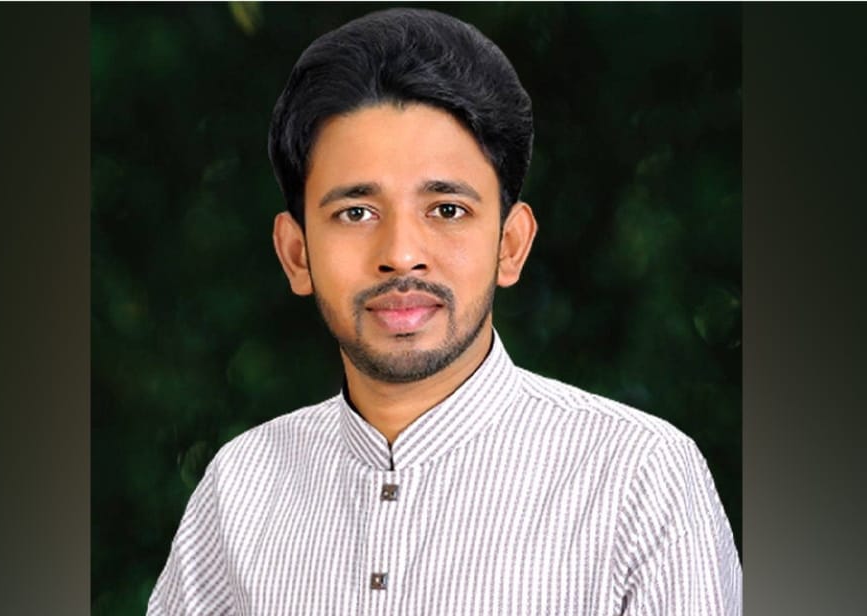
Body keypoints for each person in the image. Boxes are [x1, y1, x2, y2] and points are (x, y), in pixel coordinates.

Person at [148, 8, 741, 615]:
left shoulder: (638, 477)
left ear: (510, 245)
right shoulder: (242, 486)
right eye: (356, 213)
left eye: (447, 210)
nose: (402, 255)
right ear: (296, 254)